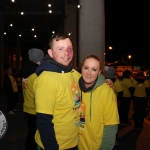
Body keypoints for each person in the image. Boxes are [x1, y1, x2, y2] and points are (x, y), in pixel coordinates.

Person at [33, 33, 114, 150]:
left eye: (69, 48)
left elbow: (90, 80)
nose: (67, 53)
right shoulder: (47, 80)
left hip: (74, 143)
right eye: (60, 49)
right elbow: (43, 121)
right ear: (50, 53)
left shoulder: (73, 74)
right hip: (55, 146)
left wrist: (104, 81)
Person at [78, 55, 120, 150]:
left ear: (99, 72)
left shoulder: (106, 92)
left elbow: (111, 125)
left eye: (94, 69)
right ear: (81, 68)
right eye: (86, 68)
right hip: (72, 145)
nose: (89, 73)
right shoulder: (74, 86)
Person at [22, 48, 44, 150]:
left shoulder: (26, 72)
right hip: (35, 110)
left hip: (27, 107)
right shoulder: (36, 75)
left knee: (30, 133)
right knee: (36, 135)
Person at [104, 66, 123, 146]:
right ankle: (115, 140)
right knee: (113, 123)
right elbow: (121, 92)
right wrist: (116, 100)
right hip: (113, 106)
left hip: (104, 105)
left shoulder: (102, 81)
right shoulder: (116, 81)